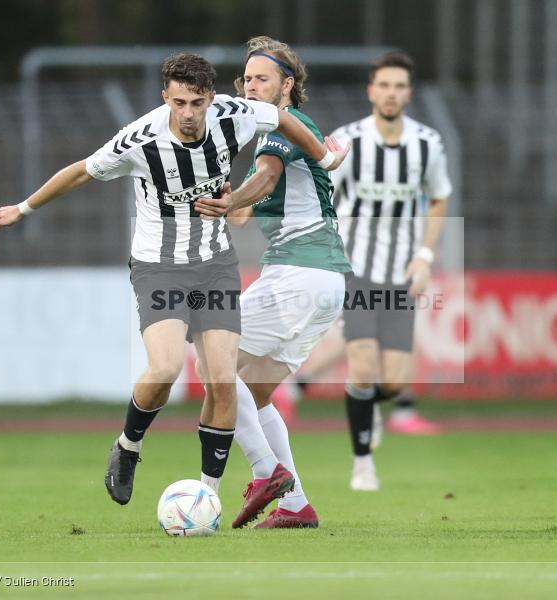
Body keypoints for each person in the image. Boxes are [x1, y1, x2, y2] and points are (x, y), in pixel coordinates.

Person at [0, 53, 347, 506]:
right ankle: (128, 446)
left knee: (220, 378)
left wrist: (326, 156)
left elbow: (285, 121)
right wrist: (24, 207)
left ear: (212, 98)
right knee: (166, 367)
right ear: (165, 98)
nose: (188, 113)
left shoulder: (234, 114)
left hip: (216, 265)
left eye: (196, 103)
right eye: (179, 103)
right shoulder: (140, 138)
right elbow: (80, 171)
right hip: (159, 265)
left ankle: (206, 498)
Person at [194, 37, 352, 529]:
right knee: (253, 393)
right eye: (247, 79)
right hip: (322, 283)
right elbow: (245, 209)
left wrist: (237, 196)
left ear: (288, 85)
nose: (251, 87)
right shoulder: (273, 132)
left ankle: (267, 474)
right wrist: (230, 198)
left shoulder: (287, 125)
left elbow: (264, 177)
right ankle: (295, 505)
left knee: (210, 355)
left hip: (298, 275)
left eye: (263, 78)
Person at [330, 51, 452, 491]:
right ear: (371, 91)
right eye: (384, 85)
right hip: (356, 269)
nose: (391, 93)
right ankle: (362, 463)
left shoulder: (427, 143)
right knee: (361, 368)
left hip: (401, 273)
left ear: (408, 93)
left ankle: (369, 413)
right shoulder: (345, 142)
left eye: (399, 86)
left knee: (395, 380)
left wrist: (424, 257)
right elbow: (324, 198)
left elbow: (438, 199)